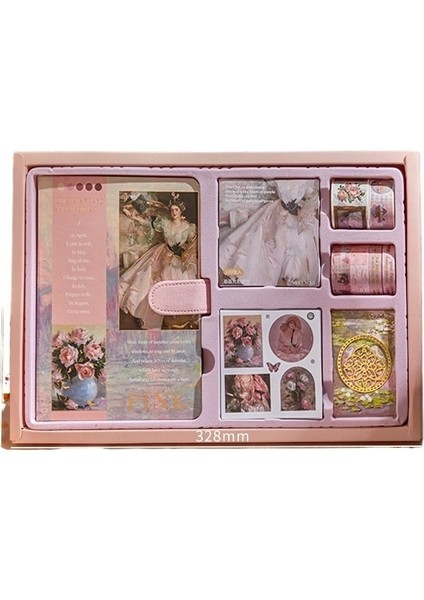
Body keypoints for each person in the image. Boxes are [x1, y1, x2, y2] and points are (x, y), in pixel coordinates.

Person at [219, 179, 319, 287]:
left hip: (297, 215)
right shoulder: (280, 181)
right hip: (278, 212)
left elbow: (312, 196)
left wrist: (306, 208)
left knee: (297, 244)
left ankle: (291, 278)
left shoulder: (307, 182)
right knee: (268, 241)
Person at [119, 193, 197, 329]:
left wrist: (186, 253)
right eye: (172, 210)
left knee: (178, 278)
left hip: (179, 258)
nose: (174, 212)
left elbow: (193, 243)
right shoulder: (165, 223)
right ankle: (147, 312)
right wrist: (133, 216)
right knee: (150, 275)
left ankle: (175, 313)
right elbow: (148, 224)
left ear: (181, 211)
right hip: (163, 253)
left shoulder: (188, 227)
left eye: (176, 210)